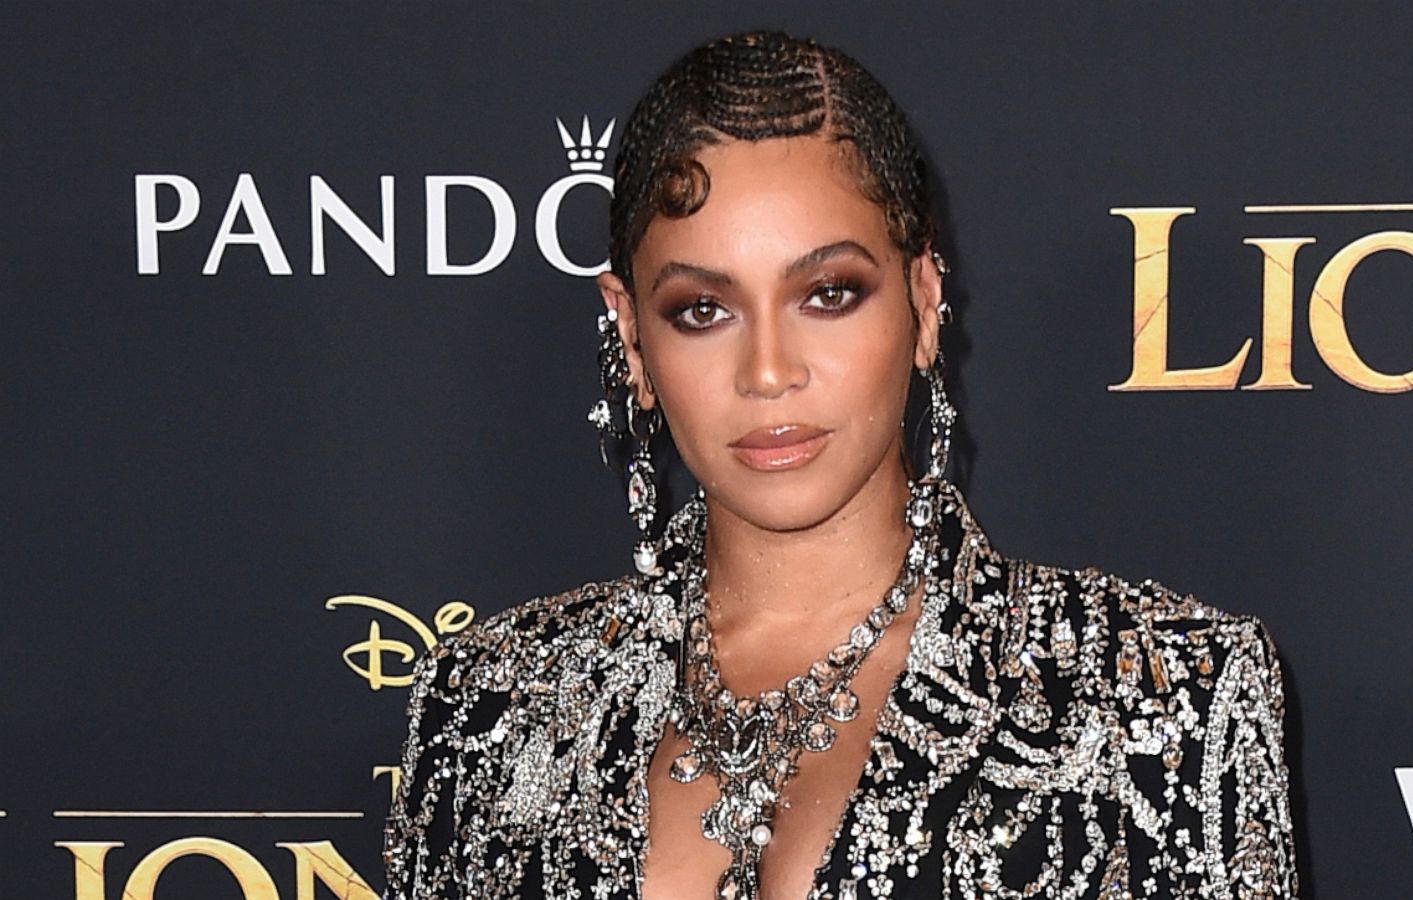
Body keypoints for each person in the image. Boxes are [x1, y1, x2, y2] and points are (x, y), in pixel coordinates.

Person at [383, 29, 1299, 900]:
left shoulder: (1167, 696)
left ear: (924, 299)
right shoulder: (488, 707)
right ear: (630, 335)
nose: (770, 371)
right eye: (703, 309)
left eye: (828, 293)